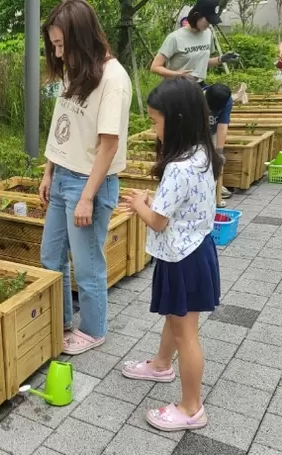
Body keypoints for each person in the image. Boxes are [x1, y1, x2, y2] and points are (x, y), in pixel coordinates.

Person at [118, 76, 222, 432]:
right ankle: (161, 365)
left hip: (183, 257)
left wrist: (139, 203)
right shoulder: (203, 153)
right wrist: (152, 202)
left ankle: (192, 408)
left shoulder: (178, 167)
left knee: (186, 332)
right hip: (195, 250)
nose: (152, 129)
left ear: (175, 119)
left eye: (154, 120)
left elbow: (158, 222)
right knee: (175, 319)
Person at [39, 0, 132, 355]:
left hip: (89, 182)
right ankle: (62, 321)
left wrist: (87, 197)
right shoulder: (75, 72)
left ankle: (93, 329)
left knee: (88, 263)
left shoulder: (114, 79)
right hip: (63, 175)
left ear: (82, 37)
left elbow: (108, 144)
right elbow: (61, 127)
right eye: (54, 46)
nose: (59, 54)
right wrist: (50, 170)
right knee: (51, 257)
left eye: (63, 45)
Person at [151, 0, 239, 85]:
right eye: (208, 20)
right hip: (176, 86)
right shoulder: (175, 38)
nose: (209, 24)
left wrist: (221, 59)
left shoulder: (208, 34)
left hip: (197, 86)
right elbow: (155, 67)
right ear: (196, 15)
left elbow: (202, 62)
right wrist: (178, 75)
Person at [205, 83, 234, 204]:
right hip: (193, 131)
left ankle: (214, 192)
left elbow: (222, 125)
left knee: (215, 161)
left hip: (213, 131)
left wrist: (219, 152)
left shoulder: (227, 100)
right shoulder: (196, 98)